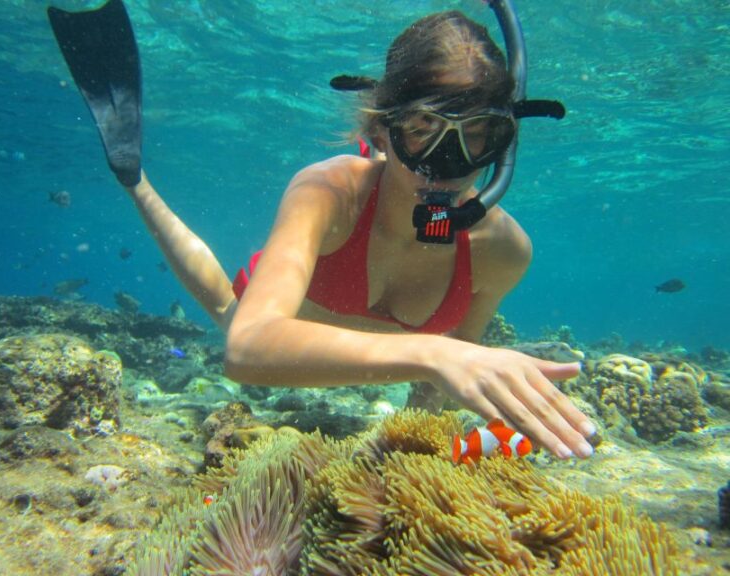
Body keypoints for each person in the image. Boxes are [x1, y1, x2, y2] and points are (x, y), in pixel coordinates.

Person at [48, 0, 596, 459]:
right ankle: (133, 177)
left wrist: (416, 451)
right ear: (382, 130)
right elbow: (247, 350)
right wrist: (434, 351)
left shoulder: (505, 252)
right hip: (260, 319)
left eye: (479, 134)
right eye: (422, 128)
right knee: (226, 306)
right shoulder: (330, 191)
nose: (447, 161)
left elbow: (449, 376)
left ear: (506, 143)